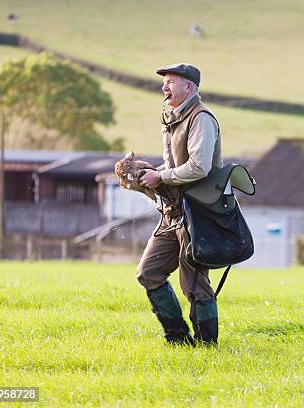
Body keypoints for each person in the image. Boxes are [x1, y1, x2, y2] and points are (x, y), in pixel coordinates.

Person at [137, 63, 222, 346]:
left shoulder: (202, 119)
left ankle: (208, 346)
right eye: (165, 82)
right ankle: (178, 339)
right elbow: (174, 166)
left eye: (171, 82)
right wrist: (142, 175)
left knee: (195, 285)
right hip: (173, 213)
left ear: (190, 87)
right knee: (149, 273)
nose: (164, 87)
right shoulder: (173, 118)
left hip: (197, 212)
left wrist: (159, 175)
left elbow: (199, 167)